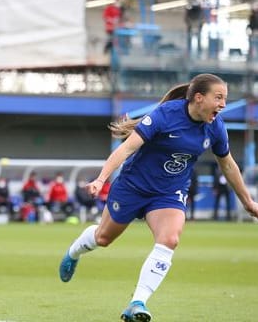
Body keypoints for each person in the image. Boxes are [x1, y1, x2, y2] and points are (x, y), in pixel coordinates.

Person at [58, 73, 258, 322]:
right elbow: (127, 148)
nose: (223, 105)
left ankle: (137, 302)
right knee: (103, 237)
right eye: (218, 98)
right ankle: (74, 252)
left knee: (170, 239)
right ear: (198, 98)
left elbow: (228, 165)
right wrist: (101, 179)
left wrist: (248, 202)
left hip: (168, 193)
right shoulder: (165, 115)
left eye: (225, 99)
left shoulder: (215, 126)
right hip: (133, 186)